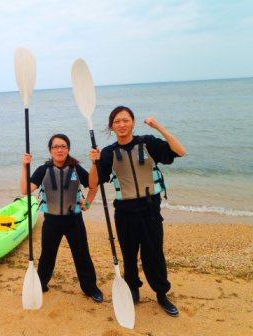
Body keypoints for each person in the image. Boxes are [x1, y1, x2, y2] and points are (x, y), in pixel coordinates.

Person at [89, 106, 186, 316]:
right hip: (124, 212)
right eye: (117, 122)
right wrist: (94, 162)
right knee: (129, 255)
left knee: (154, 255)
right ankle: (133, 290)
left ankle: (161, 294)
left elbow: (180, 151)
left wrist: (159, 126)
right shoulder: (108, 153)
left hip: (150, 210)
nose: (122, 125)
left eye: (125, 120)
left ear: (132, 122)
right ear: (111, 126)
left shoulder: (148, 143)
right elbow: (94, 183)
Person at [20, 133, 103, 302]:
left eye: (63, 146)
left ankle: (90, 288)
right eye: (56, 147)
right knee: (47, 256)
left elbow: (94, 185)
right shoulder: (43, 170)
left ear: (68, 149)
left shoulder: (76, 169)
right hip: (51, 221)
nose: (59, 149)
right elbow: (24, 190)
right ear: (50, 150)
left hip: (74, 221)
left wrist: (87, 204)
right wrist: (24, 166)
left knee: (82, 255)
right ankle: (41, 284)